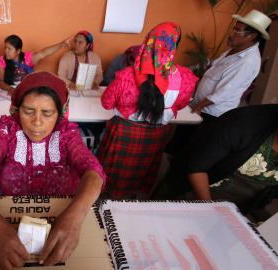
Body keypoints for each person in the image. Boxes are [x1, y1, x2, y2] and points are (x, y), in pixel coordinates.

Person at [0, 71, 106, 268]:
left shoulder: (66, 133)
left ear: (60, 112)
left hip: (61, 208)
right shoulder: (7, 130)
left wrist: (75, 217)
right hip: (10, 204)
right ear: (17, 108)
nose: (37, 122)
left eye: (48, 113)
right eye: (28, 111)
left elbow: (93, 172)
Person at [96, 22, 198, 199]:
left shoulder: (128, 75)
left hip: (124, 131)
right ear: (175, 45)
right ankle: (128, 198)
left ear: (148, 42)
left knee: (114, 168)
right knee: (140, 169)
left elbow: (106, 102)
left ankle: (107, 198)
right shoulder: (184, 78)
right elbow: (180, 105)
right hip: (156, 134)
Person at [165, 10, 272, 156]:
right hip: (199, 105)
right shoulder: (234, 50)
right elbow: (213, 69)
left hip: (210, 112)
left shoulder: (246, 62)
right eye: (234, 28)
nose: (231, 34)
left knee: (191, 148)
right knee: (180, 142)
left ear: (251, 36)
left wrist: (198, 106)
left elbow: (223, 93)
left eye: (237, 31)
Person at [151, 105, 278, 214]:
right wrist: (210, 209)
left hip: (235, 209)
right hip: (188, 192)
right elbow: (197, 166)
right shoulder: (243, 122)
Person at [0, 35, 72, 95]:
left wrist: (60, 45)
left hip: (28, 90)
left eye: (9, 49)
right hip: (10, 91)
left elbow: (43, 53)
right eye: (5, 48)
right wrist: (10, 89)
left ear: (18, 51)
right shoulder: (2, 60)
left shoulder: (27, 58)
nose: (6, 51)